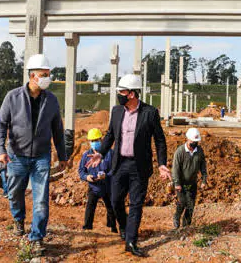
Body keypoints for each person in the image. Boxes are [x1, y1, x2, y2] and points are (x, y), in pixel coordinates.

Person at [87, 74, 171, 258]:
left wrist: (162, 164)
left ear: (132, 94)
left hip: (139, 166)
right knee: (116, 200)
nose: (119, 94)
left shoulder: (149, 113)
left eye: (122, 91)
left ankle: (131, 241)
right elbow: (110, 135)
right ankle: (124, 227)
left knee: (136, 204)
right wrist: (100, 153)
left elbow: (160, 140)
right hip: (120, 164)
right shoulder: (117, 111)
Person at [0, 54, 70, 256]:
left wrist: (62, 156)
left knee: (41, 200)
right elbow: (1, 124)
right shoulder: (13, 97)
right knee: (15, 194)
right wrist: (0, 150)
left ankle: (37, 237)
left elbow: (58, 130)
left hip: (41, 157)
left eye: (48, 74)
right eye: (43, 74)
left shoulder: (52, 100)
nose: (47, 78)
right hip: (17, 156)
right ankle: (18, 220)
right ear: (32, 75)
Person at [78, 128, 117, 233]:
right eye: (92, 140)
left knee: (111, 207)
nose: (95, 142)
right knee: (90, 206)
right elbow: (81, 171)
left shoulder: (110, 153)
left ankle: (112, 227)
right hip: (93, 186)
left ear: (101, 139)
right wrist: (87, 177)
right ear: (89, 142)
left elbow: (115, 169)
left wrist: (106, 175)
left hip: (107, 186)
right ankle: (87, 227)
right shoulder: (86, 155)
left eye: (97, 140)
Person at [172, 128, 208, 229]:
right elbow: (175, 169)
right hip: (181, 183)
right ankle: (176, 216)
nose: (194, 144)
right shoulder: (180, 152)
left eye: (196, 142)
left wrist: (204, 180)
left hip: (192, 182)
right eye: (193, 142)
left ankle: (186, 226)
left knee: (191, 205)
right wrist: (177, 183)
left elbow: (203, 167)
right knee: (183, 201)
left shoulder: (199, 151)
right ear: (187, 139)